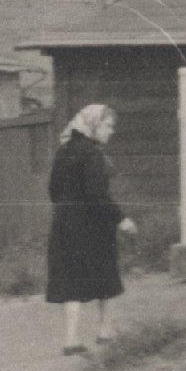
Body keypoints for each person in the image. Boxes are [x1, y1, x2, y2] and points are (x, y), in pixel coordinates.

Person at [45, 104, 136, 353]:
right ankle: (106, 331)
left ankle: (71, 340)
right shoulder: (92, 153)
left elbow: (53, 190)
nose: (111, 132)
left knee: (70, 281)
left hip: (64, 225)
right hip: (91, 226)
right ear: (94, 125)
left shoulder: (64, 150)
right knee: (106, 276)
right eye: (107, 126)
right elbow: (97, 194)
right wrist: (121, 219)